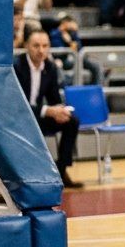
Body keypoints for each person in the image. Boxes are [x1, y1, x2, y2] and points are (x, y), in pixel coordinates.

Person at [14, 28, 82, 189]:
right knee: (32, 119)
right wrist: (48, 111)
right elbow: (18, 104)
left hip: (38, 116)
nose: (41, 50)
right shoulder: (16, 66)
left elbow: (54, 99)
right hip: (18, 117)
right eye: (36, 46)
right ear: (26, 46)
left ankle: (61, 170)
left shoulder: (50, 67)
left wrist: (60, 110)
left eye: (45, 46)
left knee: (71, 121)